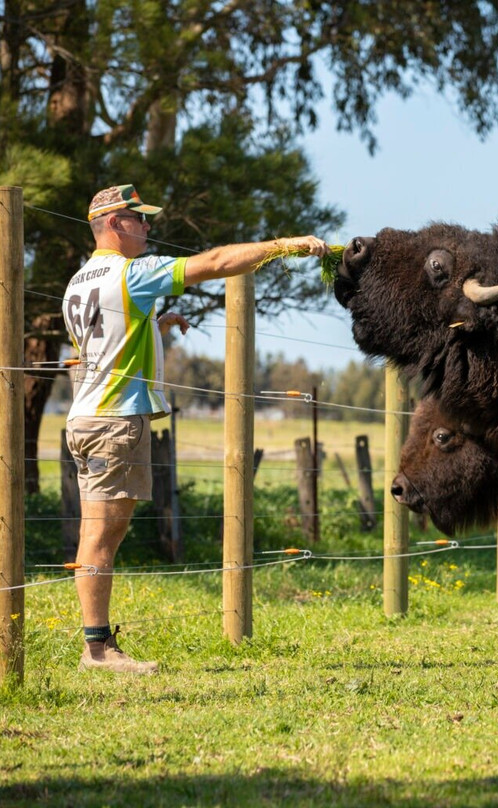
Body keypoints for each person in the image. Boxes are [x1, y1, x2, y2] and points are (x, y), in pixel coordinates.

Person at [63, 183, 329, 674]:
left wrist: (157, 325)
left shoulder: (78, 282)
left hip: (84, 417)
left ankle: (97, 645)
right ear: (116, 224)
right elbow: (218, 261)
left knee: (96, 533)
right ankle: (97, 650)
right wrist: (282, 246)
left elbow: (103, 345)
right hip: (115, 421)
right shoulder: (132, 272)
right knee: (102, 536)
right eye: (140, 219)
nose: (148, 227)